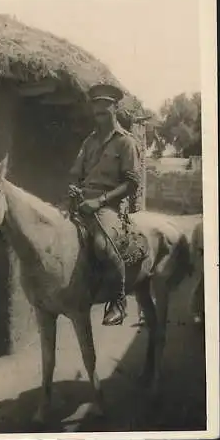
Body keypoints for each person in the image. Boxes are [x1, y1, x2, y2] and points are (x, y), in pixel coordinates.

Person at [69, 83, 141, 326]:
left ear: (115, 108)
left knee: (102, 244)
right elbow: (76, 172)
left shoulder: (126, 142)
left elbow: (132, 183)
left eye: (105, 109)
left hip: (108, 205)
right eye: (96, 110)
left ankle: (118, 302)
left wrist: (99, 201)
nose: (100, 115)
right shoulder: (88, 142)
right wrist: (73, 187)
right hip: (82, 201)